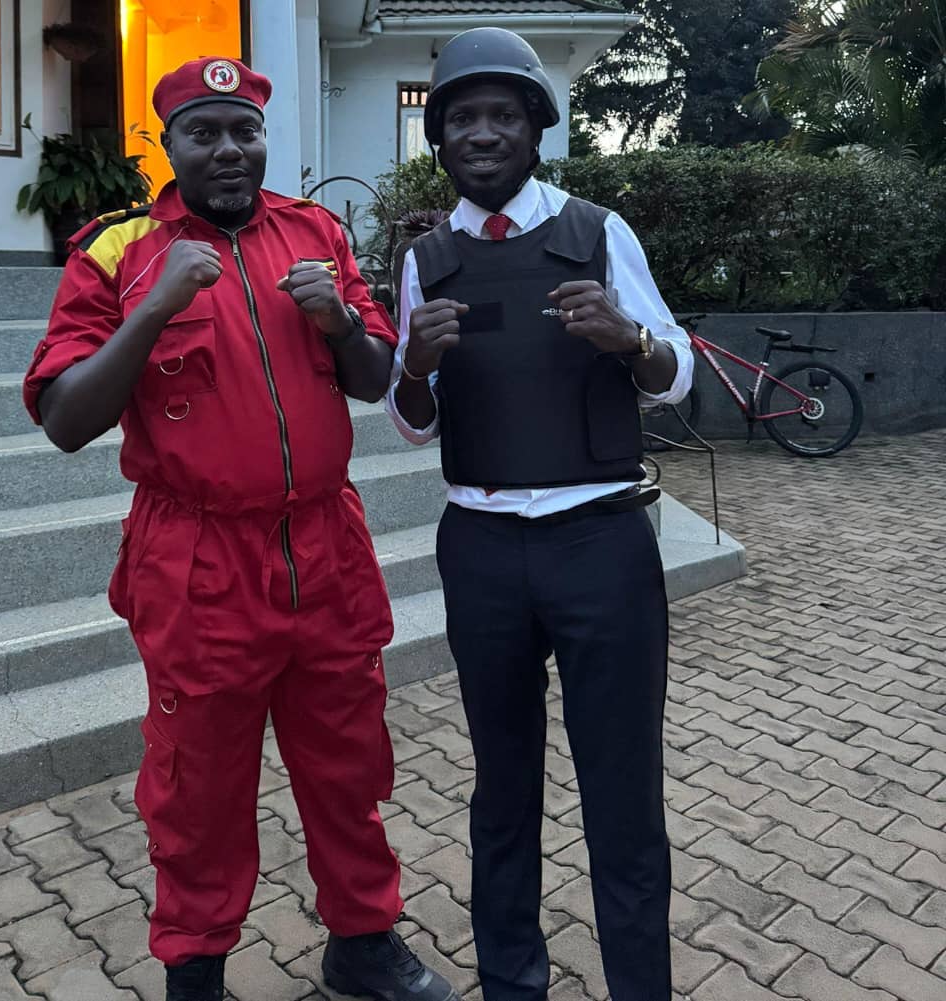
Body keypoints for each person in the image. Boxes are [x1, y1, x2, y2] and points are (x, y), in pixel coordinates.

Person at [23, 56, 461, 1001]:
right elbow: (64, 418)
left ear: (265, 140)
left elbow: (374, 378)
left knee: (348, 761)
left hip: (326, 548)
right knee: (198, 784)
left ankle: (362, 942)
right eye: (204, 133)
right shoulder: (116, 252)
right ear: (168, 145)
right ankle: (196, 969)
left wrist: (339, 319)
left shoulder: (316, 232)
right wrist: (153, 309)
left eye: (244, 131)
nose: (228, 150)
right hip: (199, 561)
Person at [387, 27, 694, 1001]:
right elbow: (410, 420)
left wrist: (629, 337)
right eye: (461, 118)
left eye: (501, 114)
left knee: (623, 794)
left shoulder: (598, 232)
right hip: (481, 548)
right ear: (440, 137)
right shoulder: (426, 258)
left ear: (535, 126)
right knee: (503, 788)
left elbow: (677, 373)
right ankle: (511, 984)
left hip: (600, 542)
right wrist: (415, 366)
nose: (481, 133)